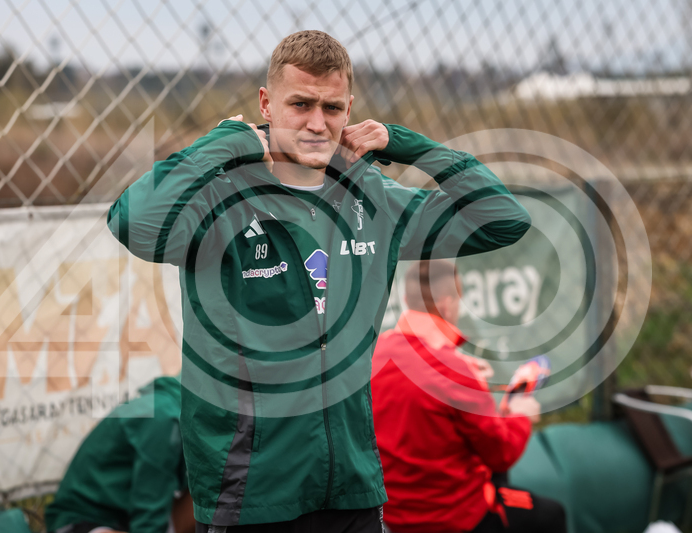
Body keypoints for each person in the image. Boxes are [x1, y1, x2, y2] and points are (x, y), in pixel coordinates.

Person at [107, 30, 531, 532]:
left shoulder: (370, 197)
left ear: (349, 110)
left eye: (331, 108)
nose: (316, 123)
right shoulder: (219, 199)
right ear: (266, 104)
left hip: (352, 487)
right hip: (252, 496)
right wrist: (226, 142)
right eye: (300, 104)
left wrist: (405, 144)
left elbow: (503, 219)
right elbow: (133, 221)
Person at [371, 260, 566, 533]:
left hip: (394, 515)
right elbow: (502, 453)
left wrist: (467, 374)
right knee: (553, 514)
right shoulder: (456, 373)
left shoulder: (375, 353)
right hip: (455, 517)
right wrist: (521, 415)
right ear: (447, 304)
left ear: (406, 300)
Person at [45, 376, 194, 533]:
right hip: (83, 520)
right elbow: (149, 509)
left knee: (207, 494)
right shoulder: (164, 416)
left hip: (125, 518)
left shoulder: (178, 410)